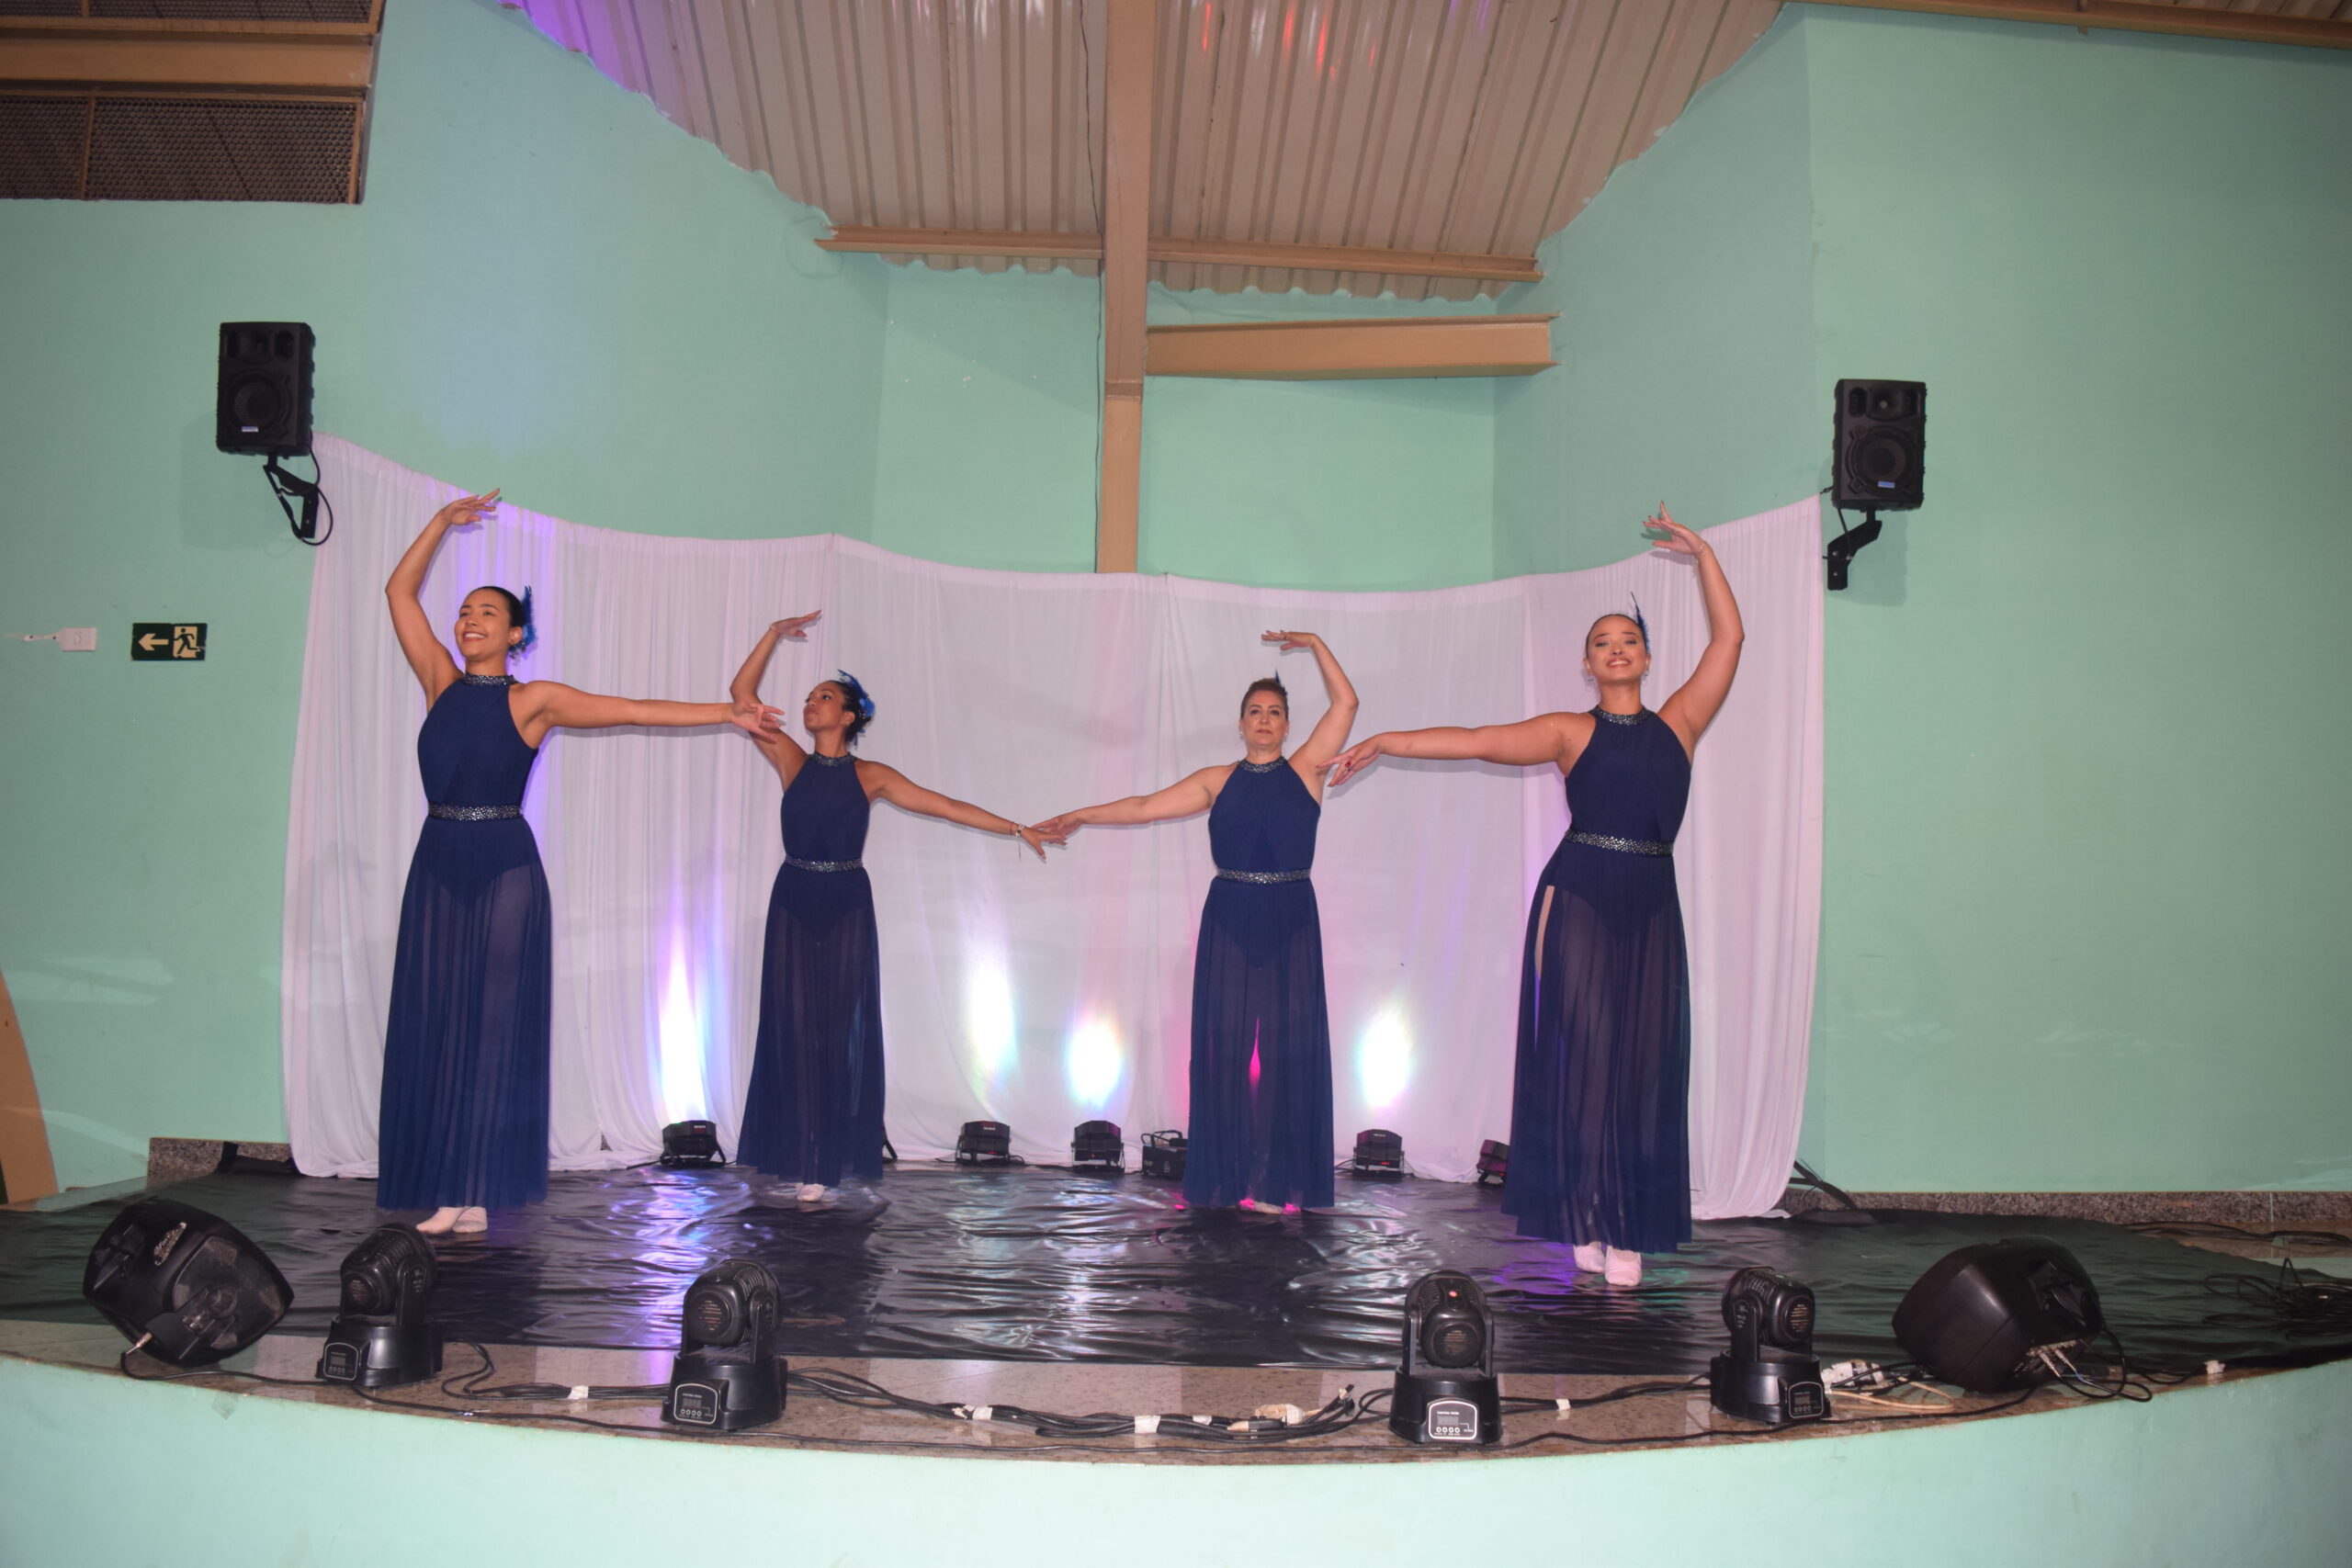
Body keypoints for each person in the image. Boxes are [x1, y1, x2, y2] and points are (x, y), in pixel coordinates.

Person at [1324, 507, 1741, 1284]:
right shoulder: (1568, 730)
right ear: (1588, 664)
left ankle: (1628, 1226)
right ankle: (1585, 1214)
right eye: (1602, 642)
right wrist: (1384, 739)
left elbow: (1730, 641)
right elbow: (1476, 739)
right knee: (1587, 1060)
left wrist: (1705, 555)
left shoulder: (1680, 722)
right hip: (1578, 896)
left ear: (1647, 656)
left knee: (1644, 1068)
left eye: (1628, 639)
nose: (1616, 648)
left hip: (1652, 903)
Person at [380, 491, 782, 1236]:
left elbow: (632, 708)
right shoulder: (438, 679)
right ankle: (448, 1180)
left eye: (487, 613)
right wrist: (439, 523)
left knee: (489, 1027)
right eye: (464, 611)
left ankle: (474, 1187)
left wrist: (726, 713)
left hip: (504, 866)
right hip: (436, 860)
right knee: (437, 1022)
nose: (469, 621)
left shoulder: (535, 699)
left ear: (516, 633)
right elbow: (399, 592)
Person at [729, 617, 1058, 1208]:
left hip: (846, 903)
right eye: (809, 697)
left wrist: (1016, 827)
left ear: (849, 716)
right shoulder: (791, 761)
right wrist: (773, 635)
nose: (810, 703)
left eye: (823, 697)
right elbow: (741, 696)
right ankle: (797, 1154)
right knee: (792, 1028)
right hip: (793, 899)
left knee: (835, 1032)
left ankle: (825, 1163)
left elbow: (945, 805)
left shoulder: (871, 776)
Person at [1037, 632, 1358, 1212]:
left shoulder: (1308, 770)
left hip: (1291, 918)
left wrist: (1314, 643)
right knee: (1225, 1052)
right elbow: (1144, 807)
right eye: (1255, 711)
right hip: (1230, 917)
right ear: (1240, 724)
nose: (1265, 719)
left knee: (1287, 1054)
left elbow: (1347, 704)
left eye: (1275, 712)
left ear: (1288, 726)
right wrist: (1081, 814)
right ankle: (1226, 1180)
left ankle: (1277, 1182)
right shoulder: (1217, 780)